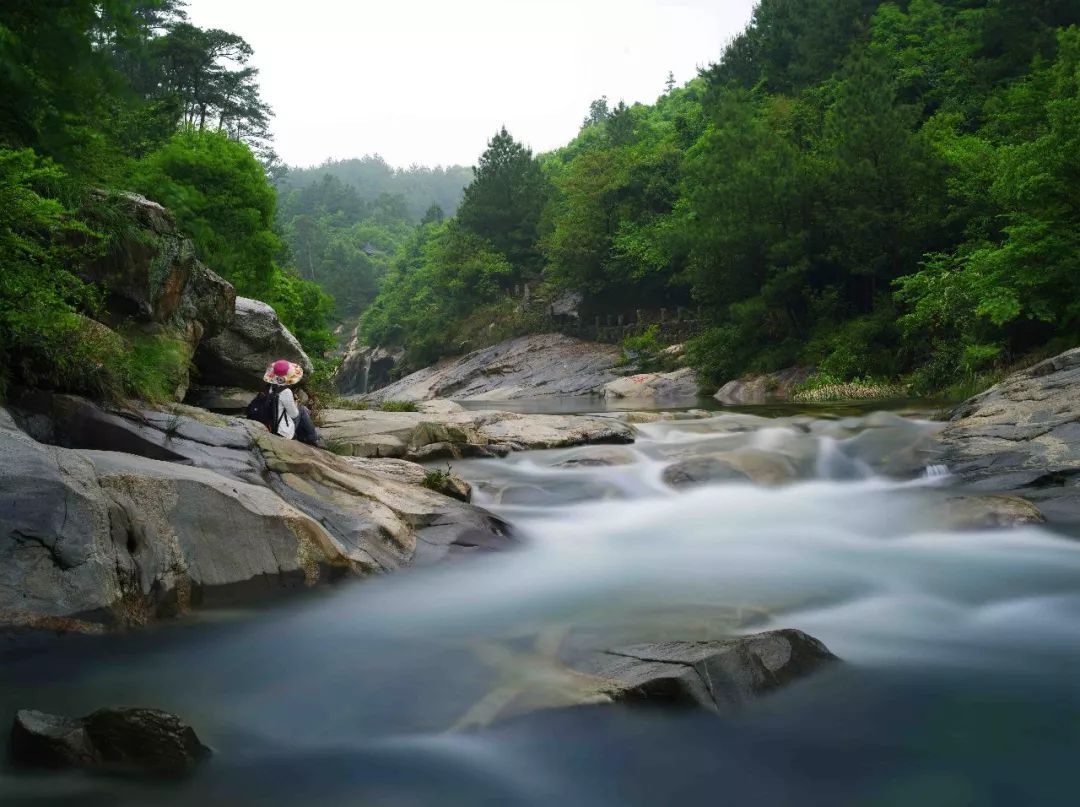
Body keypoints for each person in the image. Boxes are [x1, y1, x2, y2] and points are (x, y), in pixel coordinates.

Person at [262, 359, 319, 446]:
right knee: (302, 410)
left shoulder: (269, 387)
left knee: (302, 410)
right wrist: (295, 404)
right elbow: (294, 415)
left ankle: (306, 436)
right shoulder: (285, 391)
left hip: (271, 424)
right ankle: (313, 438)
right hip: (281, 431)